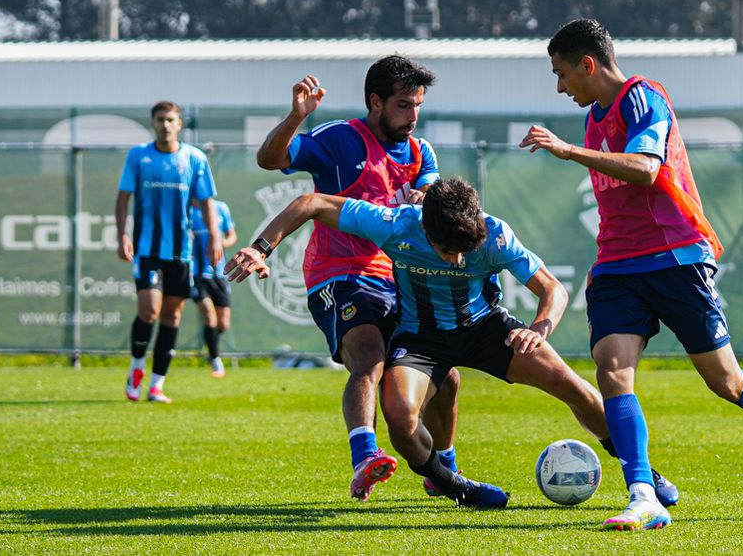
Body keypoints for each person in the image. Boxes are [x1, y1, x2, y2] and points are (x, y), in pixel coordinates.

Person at [520, 18, 743, 531]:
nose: (560, 87)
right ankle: (643, 495)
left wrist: (566, 150)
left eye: (562, 74)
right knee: (612, 371)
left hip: (676, 258)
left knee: (727, 382)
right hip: (617, 265)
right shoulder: (594, 118)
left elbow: (648, 168)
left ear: (588, 64)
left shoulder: (642, 97)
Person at [226, 178, 623, 508]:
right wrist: (261, 248)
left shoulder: (495, 234)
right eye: (446, 250)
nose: (455, 260)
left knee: (577, 390)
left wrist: (539, 329)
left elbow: (552, 290)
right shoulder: (396, 224)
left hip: (484, 328)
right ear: (425, 229)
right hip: (422, 337)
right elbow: (311, 202)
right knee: (399, 416)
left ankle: (639, 474)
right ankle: (453, 486)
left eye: (463, 250)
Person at [254, 55, 462, 501]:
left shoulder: (422, 152)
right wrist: (296, 117)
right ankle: (366, 456)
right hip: (339, 274)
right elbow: (269, 159)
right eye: (404, 105)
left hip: (398, 280)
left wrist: (429, 197)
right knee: (369, 355)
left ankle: (443, 466)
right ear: (375, 101)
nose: (413, 116)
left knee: (447, 375)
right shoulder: (341, 140)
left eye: (418, 105)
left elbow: (430, 197)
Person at [116, 100, 221, 404]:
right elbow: (123, 198)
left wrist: (214, 236)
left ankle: (157, 384)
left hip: (181, 252)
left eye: (171, 119)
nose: (165, 124)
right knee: (148, 310)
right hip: (148, 249)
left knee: (172, 316)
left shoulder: (195, 158)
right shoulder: (138, 156)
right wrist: (122, 234)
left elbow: (206, 201)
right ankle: (137, 367)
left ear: (180, 124)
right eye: (160, 119)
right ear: (153, 123)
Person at [190, 198, 237, 378]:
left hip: (219, 274)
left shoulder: (221, 207)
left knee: (222, 324)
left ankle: (210, 345)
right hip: (197, 274)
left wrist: (220, 243)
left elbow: (232, 235)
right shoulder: (186, 210)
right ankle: (216, 362)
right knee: (208, 316)